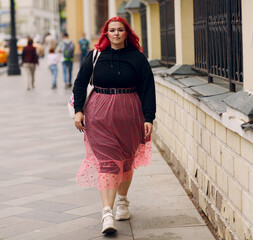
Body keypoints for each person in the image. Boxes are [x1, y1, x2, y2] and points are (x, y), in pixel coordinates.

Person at [72, 16, 156, 234]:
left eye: (120, 30)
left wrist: (149, 117)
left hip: (130, 115)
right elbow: (80, 83)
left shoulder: (137, 58)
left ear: (126, 33)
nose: (116, 33)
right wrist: (78, 111)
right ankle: (107, 213)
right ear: (106, 34)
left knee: (126, 162)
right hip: (99, 116)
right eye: (112, 30)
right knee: (108, 163)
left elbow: (148, 89)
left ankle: (123, 201)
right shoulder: (95, 56)